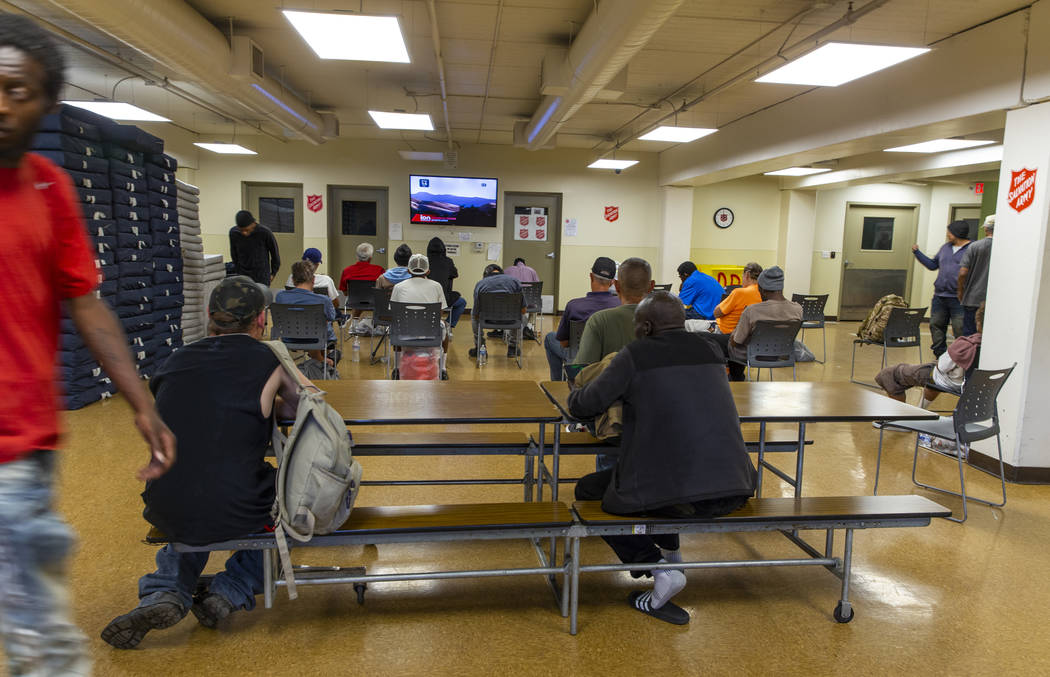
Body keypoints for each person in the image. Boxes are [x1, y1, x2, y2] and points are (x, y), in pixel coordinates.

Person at [0, 16, 176, 672]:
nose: (1, 104)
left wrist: (143, 402)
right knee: (35, 625)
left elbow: (86, 300)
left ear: (45, 104)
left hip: (24, 443)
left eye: (18, 90)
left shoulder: (50, 186)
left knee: (33, 619)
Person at [102, 277, 312, 649]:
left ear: (209, 316)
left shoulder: (175, 359)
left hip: (166, 503)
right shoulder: (269, 359)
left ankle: (164, 592)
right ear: (261, 320)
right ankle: (229, 591)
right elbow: (302, 406)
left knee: (191, 511)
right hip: (238, 502)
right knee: (291, 510)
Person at [569, 292, 756, 625]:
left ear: (647, 326)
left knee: (590, 492)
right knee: (656, 480)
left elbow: (584, 405)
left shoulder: (636, 354)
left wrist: (576, 389)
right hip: (735, 485)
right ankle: (672, 554)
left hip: (678, 490)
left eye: (638, 325)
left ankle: (659, 568)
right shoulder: (710, 349)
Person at [875, 304, 984, 409]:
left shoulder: (966, 344)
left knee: (889, 374)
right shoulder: (992, 347)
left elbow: (942, 367)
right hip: (971, 386)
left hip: (947, 381)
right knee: (931, 375)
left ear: (978, 324)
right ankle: (918, 412)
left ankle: (899, 419)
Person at [709, 266, 802, 381]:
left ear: (762, 289)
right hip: (780, 355)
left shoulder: (752, 311)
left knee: (711, 339)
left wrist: (734, 333)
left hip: (752, 354)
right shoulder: (798, 309)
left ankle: (735, 378)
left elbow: (736, 342)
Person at [544, 256, 620, 381]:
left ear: (591, 276)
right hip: (611, 361)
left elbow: (564, 343)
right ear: (612, 282)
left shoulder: (574, 306)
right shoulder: (620, 305)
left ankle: (557, 386)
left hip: (579, 362)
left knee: (550, 338)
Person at [575, 258, 654, 366]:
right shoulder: (667, 321)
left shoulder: (599, 320)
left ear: (616, 285)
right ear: (652, 286)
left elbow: (581, 369)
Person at [912, 220, 971, 357]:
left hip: (959, 297)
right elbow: (933, 265)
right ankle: (940, 355)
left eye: (949, 232)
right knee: (936, 325)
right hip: (940, 296)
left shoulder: (971, 248)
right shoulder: (945, 248)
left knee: (959, 329)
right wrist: (917, 253)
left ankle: (960, 358)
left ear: (957, 233)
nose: (948, 234)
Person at [392, 254, 451, 376]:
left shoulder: (398, 287)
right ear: (428, 271)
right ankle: (443, 369)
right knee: (446, 325)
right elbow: (440, 312)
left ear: (408, 270)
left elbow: (394, 313)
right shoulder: (436, 286)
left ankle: (397, 368)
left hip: (404, 334)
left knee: (395, 326)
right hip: (430, 334)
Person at [275, 261, 340, 366]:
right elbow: (331, 317)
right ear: (313, 280)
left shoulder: (280, 296)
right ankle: (323, 363)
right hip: (317, 339)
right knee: (324, 326)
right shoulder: (324, 300)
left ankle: (319, 360)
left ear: (293, 280)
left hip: (290, 338)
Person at [470, 264, 526, 359]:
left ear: (485, 274)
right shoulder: (515, 281)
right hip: (511, 320)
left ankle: (480, 347)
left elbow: (476, 313)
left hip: (488, 321)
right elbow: (523, 310)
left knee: (472, 314)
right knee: (522, 316)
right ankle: (513, 347)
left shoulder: (480, 284)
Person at [958, 215, 994, 336]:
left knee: (970, 337)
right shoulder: (1005, 248)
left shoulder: (974, 247)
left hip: (973, 299)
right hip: (994, 301)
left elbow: (963, 272)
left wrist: (960, 291)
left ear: (985, 229)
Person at [229, 209, 281, 285]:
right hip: (243, 275)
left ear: (253, 224)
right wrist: (238, 271)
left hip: (261, 275)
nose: (244, 233)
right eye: (241, 230)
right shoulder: (234, 233)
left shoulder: (265, 232)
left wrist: (273, 273)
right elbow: (234, 254)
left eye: (246, 230)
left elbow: (275, 254)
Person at [426, 237, 467, 328]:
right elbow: (455, 274)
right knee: (462, 302)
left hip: (426, 299)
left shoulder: (425, 261)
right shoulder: (448, 261)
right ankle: (448, 324)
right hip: (444, 299)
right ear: (443, 249)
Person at [712, 262, 763, 335]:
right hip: (748, 336)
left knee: (689, 324)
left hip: (721, 331)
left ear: (747, 275)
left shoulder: (739, 292)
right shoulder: (764, 294)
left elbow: (716, 313)